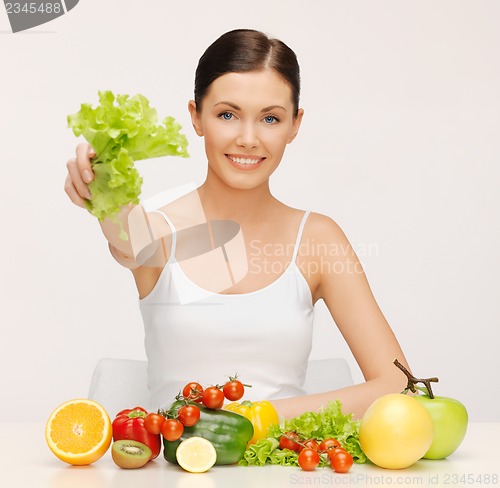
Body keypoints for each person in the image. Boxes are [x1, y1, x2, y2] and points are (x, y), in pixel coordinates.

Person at [65, 29, 411, 419]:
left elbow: (399, 386)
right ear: (196, 117)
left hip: (285, 470)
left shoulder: (318, 238)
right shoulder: (160, 229)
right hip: (176, 476)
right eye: (227, 114)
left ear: (294, 125)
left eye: (270, 118)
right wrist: (102, 185)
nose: (248, 138)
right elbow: (125, 235)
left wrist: (255, 418)